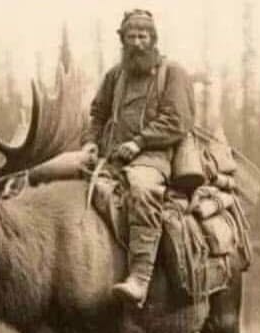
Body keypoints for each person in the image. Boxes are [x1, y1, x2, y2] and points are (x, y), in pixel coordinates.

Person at [81, 9, 195, 307]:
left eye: (143, 36)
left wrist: (139, 142)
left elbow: (177, 121)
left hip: (154, 157)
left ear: (153, 39)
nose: (137, 43)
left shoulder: (172, 74)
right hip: (113, 157)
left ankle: (140, 277)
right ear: (123, 40)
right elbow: (98, 114)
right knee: (75, 190)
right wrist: (91, 143)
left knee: (143, 191)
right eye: (131, 37)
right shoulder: (115, 76)